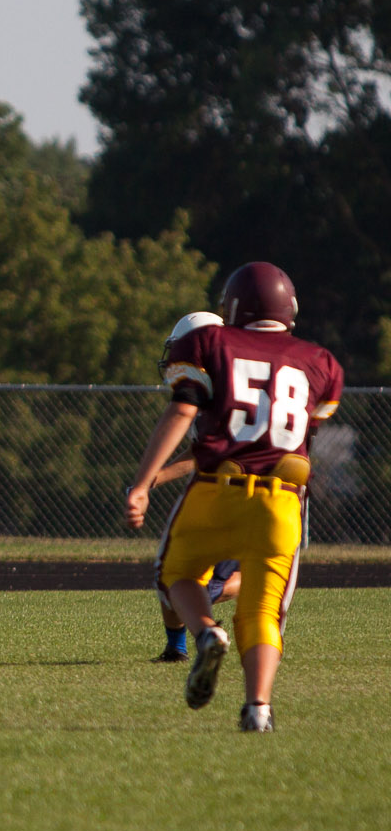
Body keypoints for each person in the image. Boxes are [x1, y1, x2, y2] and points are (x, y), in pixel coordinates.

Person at [124, 262, 343, 731]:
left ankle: (205, 633)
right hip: (281, 500)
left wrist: (143, 483)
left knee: (175, 574)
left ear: (234, 306)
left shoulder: (210, 343)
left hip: (216, 488)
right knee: (264, 611)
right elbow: (304, 432)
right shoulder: (320, 361)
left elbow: (183, 411)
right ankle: (258, 709)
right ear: (290, 309)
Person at [146, 313, 240, 663]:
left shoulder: (224, 395)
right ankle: (176, 648)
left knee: (188, 586)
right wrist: (154, 478)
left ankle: (255, 580)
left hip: (238, 498)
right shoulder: (213, 390)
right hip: (222, 496)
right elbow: (200, 452)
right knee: (170, 573)